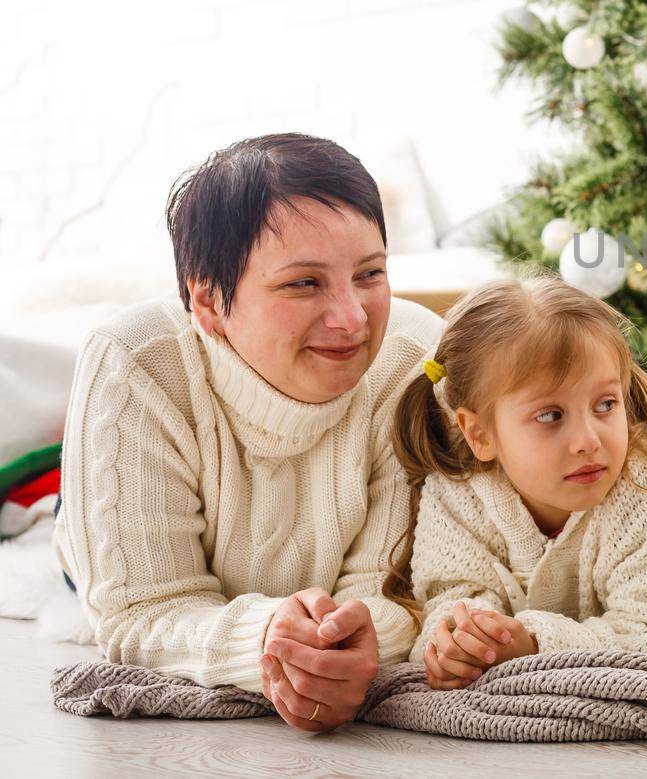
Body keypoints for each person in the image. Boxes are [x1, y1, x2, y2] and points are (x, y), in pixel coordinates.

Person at [53, 133, 443, 731]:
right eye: (303, 283)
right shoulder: (134, 363)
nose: (352, 319)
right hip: (122, 540)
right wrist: (269, 639)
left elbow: (395, 592)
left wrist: (350, 642)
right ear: (207, 302)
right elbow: (140, 609)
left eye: (369, 274)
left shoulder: (415, 360)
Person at [382, 276, 647, 690]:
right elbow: (448, 603)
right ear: (479, 434)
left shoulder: (643, 492)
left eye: (606, 404)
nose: (589, 441)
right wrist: (457, 646)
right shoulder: (456, 496)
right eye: (551, 416)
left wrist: (534, 643)